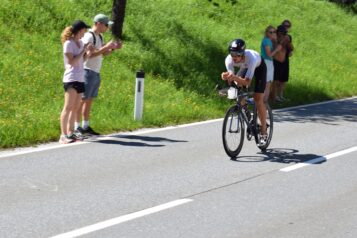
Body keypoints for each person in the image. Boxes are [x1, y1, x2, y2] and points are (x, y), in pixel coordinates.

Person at [75, 13, 122, 136]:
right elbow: (89, 54)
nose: (108, 28)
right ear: (99, 24)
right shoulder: (89, 36)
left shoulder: (100, 36)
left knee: (89, 100)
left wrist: (112, 49)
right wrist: (106, 47)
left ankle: (85, 126)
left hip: (95, 72)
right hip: (87, 70)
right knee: (82, 100)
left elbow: (101, 53)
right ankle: (77, 127)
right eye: (106, 25)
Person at [221, 39, 268, 145]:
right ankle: (248, 115)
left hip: (259, 67)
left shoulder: (250, 58)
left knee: (258, 99)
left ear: (242, 53)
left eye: (238, 54)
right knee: (237, 89)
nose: (235, 57)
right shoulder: (229, 60)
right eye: (232, 53)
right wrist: (226, 76)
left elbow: (247, 82)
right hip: (244, 68)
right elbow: (231, 78)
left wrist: (234, 77)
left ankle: (264, 131)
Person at [59, 20, 94, 144]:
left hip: (80, 78)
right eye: (84, 30)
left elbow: (81, 61)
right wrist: (83, 49)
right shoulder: (68, 43)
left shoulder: (80, 43)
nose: (85, 33)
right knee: (68, 107)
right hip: (71, 78)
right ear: (79, 30)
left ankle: (70, 133)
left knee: (75, 107)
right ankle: (63, 135)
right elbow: (72, 62)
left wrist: (88, 53)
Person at [260, 25, 282, 103]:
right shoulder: (267, 41)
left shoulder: (269, 40)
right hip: (267, 62)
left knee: (267, 83)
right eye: (271, 32)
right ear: (267, 33)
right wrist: (276, 49)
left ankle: (263, 102)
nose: (273, 33)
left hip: (266, 62)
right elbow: (269, 54)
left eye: (274, 32)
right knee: (267, 84)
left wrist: (275, 40)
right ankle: (263, 102)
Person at [272, 25, 293, 102]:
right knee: (276, 80)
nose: (283, 34)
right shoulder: (274, 39)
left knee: (283, 80)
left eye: (284, 33)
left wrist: (288, 42)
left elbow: (291, 48)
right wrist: (281, 41)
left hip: (285, 61)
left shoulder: (287, 38)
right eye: (282, 33)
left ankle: (281, 96)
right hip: (276, 61)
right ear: (278, 32)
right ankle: (274, 97)